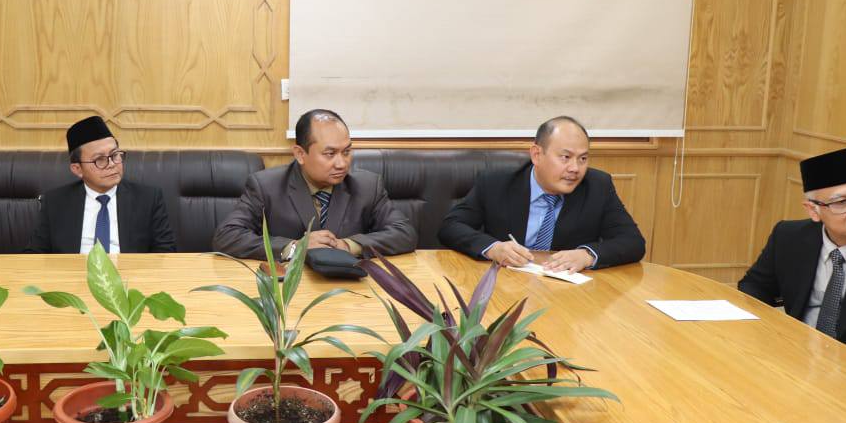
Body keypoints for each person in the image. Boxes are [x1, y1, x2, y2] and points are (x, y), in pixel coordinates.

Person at [439, 115, 644, 272]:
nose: (575, 168)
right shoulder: (497, 183)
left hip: (566, 292)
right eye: (565, 157)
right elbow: (451, 227)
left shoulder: (597, 186)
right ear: (537, 154)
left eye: (583, 158)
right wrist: (494, 248)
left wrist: (587, 255)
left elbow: (633, 242)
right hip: (506, 283)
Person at [213, 109, 416, 260]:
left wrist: (349, 245)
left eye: (346, 152)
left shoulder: (367, 186)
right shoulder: (266, 186)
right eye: (330, 154)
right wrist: (295, 248)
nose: (342, 163)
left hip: (349, 289)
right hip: (288, 290)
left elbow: (404, 233)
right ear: (300, 154)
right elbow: (227, 236)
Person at [740, 145, 846, 347]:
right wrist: (770, 331)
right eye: (841, 202)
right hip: (795, 348)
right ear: (813, 210)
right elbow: (754, 287)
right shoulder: (788, 236)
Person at [24, 115, 176, 254]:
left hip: (129, 273)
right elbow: (34, 254)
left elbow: (166, 252)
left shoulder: (148, 199)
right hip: (73, 273)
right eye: (100, 160)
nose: (112, 164)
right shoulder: (55, 202)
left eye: (115, 155)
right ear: (77, 169)